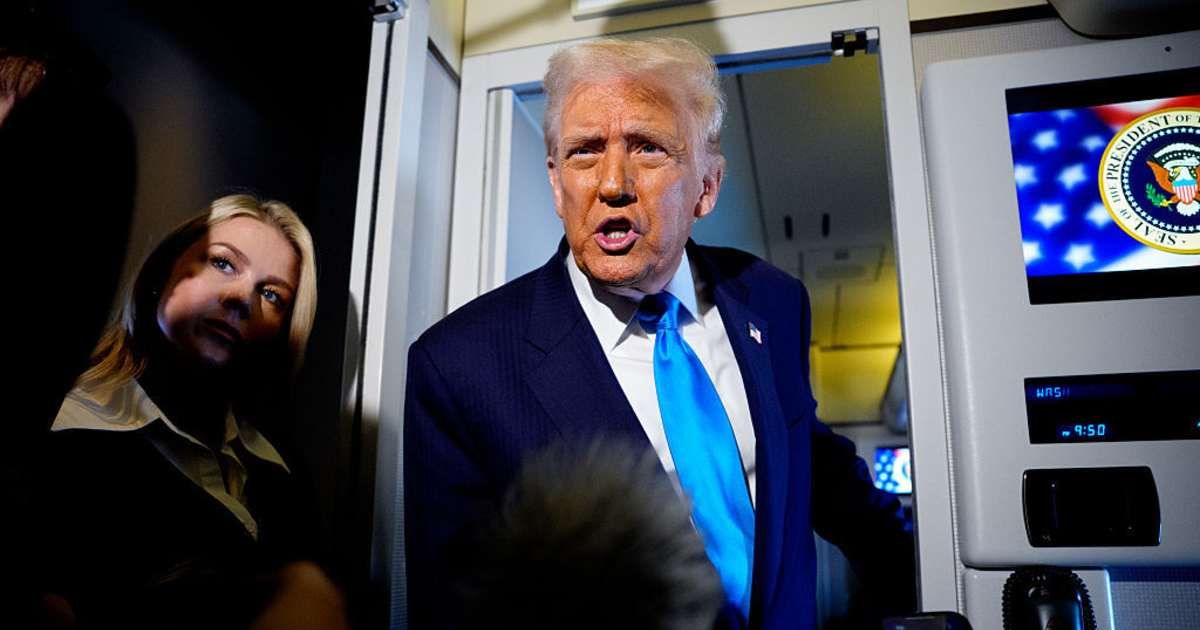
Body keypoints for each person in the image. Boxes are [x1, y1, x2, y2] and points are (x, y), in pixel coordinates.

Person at [404, 38, 914, 630]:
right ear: (555, 181)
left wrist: (920, 575)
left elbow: (811, 465)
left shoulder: (773, 303)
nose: (612, 183)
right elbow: (452, 609)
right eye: (584, 151)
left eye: (647, 148)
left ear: (707, 185)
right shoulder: (459, 367)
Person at [28, 194, 339, 628]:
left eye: (272, 294)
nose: (241, 298)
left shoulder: (282, 469)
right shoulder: (60, 434)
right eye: (223, 263)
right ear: (162, 273)